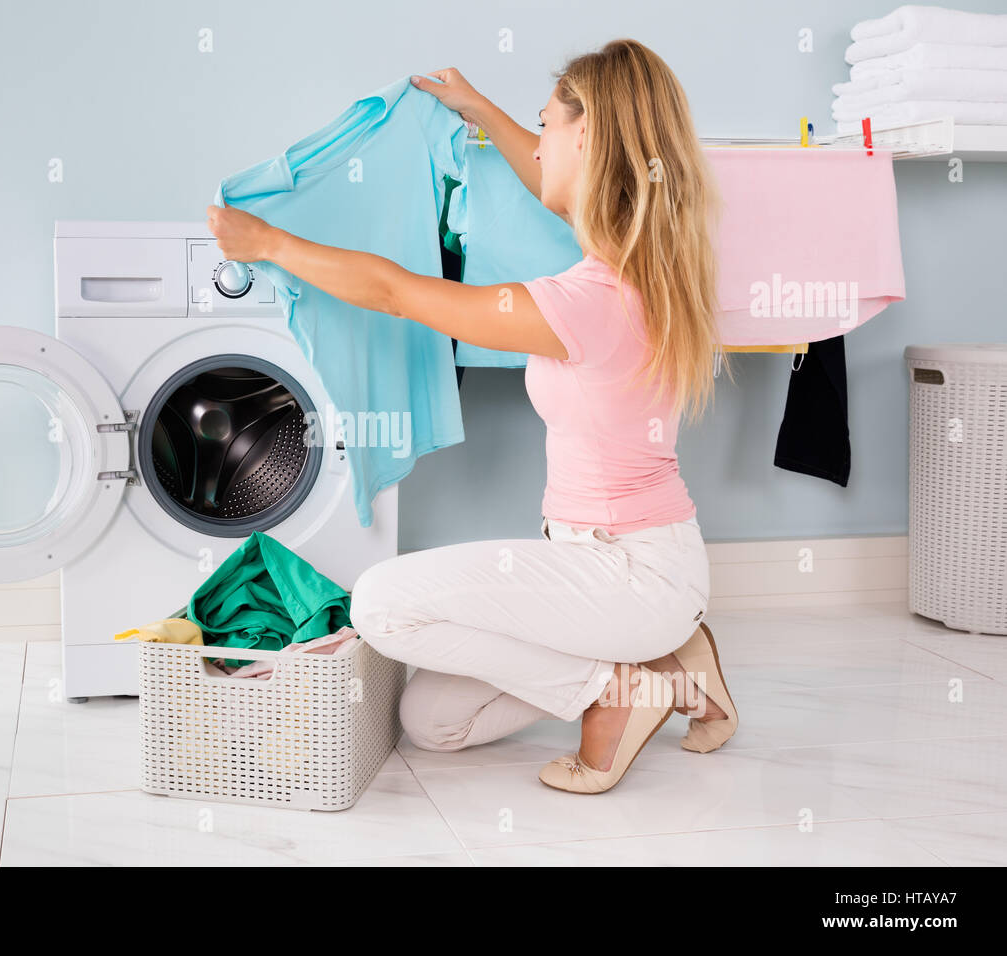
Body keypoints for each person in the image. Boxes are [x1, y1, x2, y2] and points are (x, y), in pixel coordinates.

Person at [206, 39, 739, 795]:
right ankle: (665, 667)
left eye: (546, 124)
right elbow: (548, 183)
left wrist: (273, 244)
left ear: (586, 138)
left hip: (628, 573)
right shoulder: (638, 261)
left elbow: (396, 292)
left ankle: (615, 689)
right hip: (610, 567)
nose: (536, 142)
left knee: (380, 603)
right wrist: (480, 107)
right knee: (434, 722)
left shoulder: (588, 302)